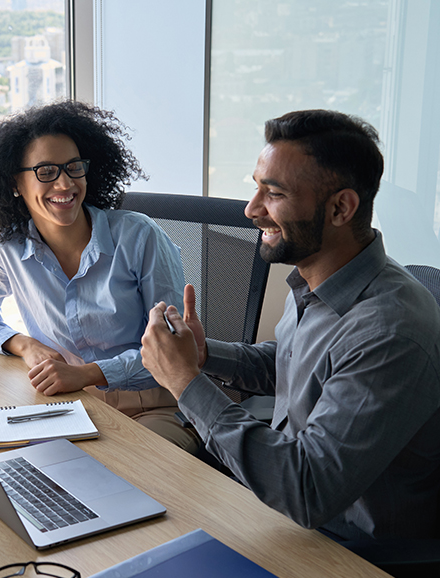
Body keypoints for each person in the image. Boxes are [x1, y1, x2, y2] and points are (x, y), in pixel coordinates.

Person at [141, 109, 440, 541]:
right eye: (256, 188)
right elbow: (294, 364)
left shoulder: (391, 329)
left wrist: (186, 383)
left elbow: (307, 489)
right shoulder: (315, 278)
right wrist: (205, 356)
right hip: (278, 510)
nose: (251, 210)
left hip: (343, 548)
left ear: (341, 207)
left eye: (274, 193)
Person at [0, 100, 202, 454]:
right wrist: (25, 345)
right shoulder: (7, 249)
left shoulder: (139, 237)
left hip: (156, 406)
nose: (65, 183)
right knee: (20, 469)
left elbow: (176, 354)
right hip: (72, 407)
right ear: (15, 184)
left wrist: (88, 374)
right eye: (46, 172)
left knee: (126, 476)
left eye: (73, 167)